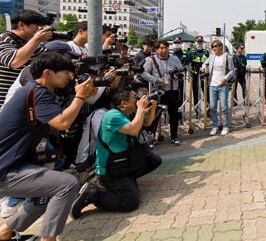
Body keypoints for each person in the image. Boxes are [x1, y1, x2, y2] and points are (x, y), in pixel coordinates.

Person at [0, 52, 96, 241]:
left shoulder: (32, 90)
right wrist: (80, 97)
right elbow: (62, 123)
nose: (69, 77)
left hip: (13, 164)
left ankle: (5, 233)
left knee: (47, 193)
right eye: (66, 73)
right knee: (67, 184)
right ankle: (48, 239)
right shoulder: (38, 93)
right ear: (48, 73)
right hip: (6, 169)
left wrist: (82, 98)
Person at [70, 88, 158, 219]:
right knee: (131, 203)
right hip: (109, 170)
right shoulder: (112, 116)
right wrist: (140, 109)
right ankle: (92, 195)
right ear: (123, 104)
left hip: (122, 162)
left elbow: (146, 122)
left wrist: (152, 107)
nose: (139, 99)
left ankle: (127, 181)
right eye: (135, 98)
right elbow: (134, 130)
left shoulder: (129, 112)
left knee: (153, 160)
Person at [2, 40, 82, 109]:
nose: (70, 63)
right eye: (67, 59)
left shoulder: (55, 75)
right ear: (54, 57)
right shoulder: (32, 71)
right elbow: (48, 99)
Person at [0, 10, 52, 108]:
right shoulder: (3, 39)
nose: (40, 30)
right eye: (38, 26)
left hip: (20, 103)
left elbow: (52, 60)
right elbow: (15, 62)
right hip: (3, 103)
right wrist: (36, 40)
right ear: (21, 25)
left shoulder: (32, 45)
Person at [141, 40, 183, 146]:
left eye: (166, 47)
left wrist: (177, 76)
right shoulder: (151, 60)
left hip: (173, 91)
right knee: (154, 116)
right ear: (157, 50)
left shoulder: (174, 59)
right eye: (161, 48)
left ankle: (174, 136)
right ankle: (151, 138)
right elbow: (144, 73)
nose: (164, 50)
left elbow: (181, 71)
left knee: (173, 115)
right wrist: (156, 79)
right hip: (158, 92)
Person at [201, 40, 235, 136]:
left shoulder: (227, 57)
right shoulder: (212, 57)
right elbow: (203, 64)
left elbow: (232, 70)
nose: (214, 48)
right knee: (212, 107)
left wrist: (225, 78)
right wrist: (203, 68)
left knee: (224, 107)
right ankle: (215, 126)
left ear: (220, 47)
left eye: (216, 46)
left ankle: (225, 126)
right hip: (212, 85)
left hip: (222, 86)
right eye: (212, 47)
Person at [188, 36, 209, 113]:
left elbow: (209, 63)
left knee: (206, 92)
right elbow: (189, 63)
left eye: (200, 42)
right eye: (198, 42)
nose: (199, 44)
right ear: (195, 42)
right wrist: (190, 73)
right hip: (195, 75)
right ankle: (197, 111)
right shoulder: (191, 52)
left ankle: (208, 110)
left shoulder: (206, 52)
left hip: (204, 76)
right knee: (196, 93)